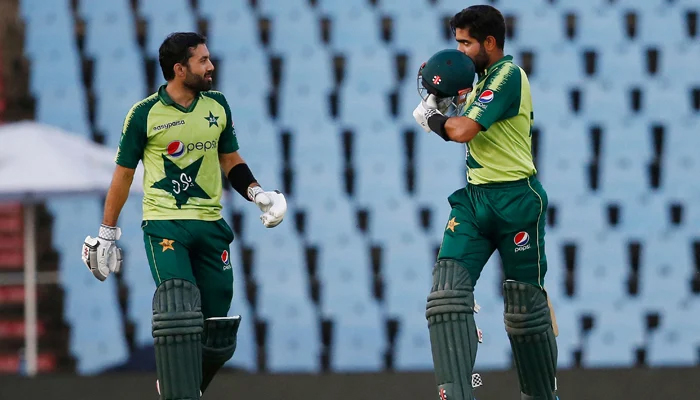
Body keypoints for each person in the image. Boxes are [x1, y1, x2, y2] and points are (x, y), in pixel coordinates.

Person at [81, 32, 287, 400]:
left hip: (211, 225)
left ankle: (181, 388)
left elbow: (230, 160)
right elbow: (124, 174)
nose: (211, 66)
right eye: (202, 60)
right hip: (165, 224)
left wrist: (258, 194)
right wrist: (107, 232)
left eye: (209, 58)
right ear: (179, 69)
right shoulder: (144, 114)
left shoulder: (217, 105)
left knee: (218, 331)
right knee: (179, 305)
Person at [413, 6, 560, 400]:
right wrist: (442, 99)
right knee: (446, 295)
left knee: (525, 311)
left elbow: (461, 131)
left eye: (465, 42)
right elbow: (459, 112)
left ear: (490, 43)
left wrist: (430, 118)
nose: (459, 50)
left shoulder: (508, 76)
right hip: (475, 200)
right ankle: (457, 394)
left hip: (516, 200)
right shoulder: (477, 80)